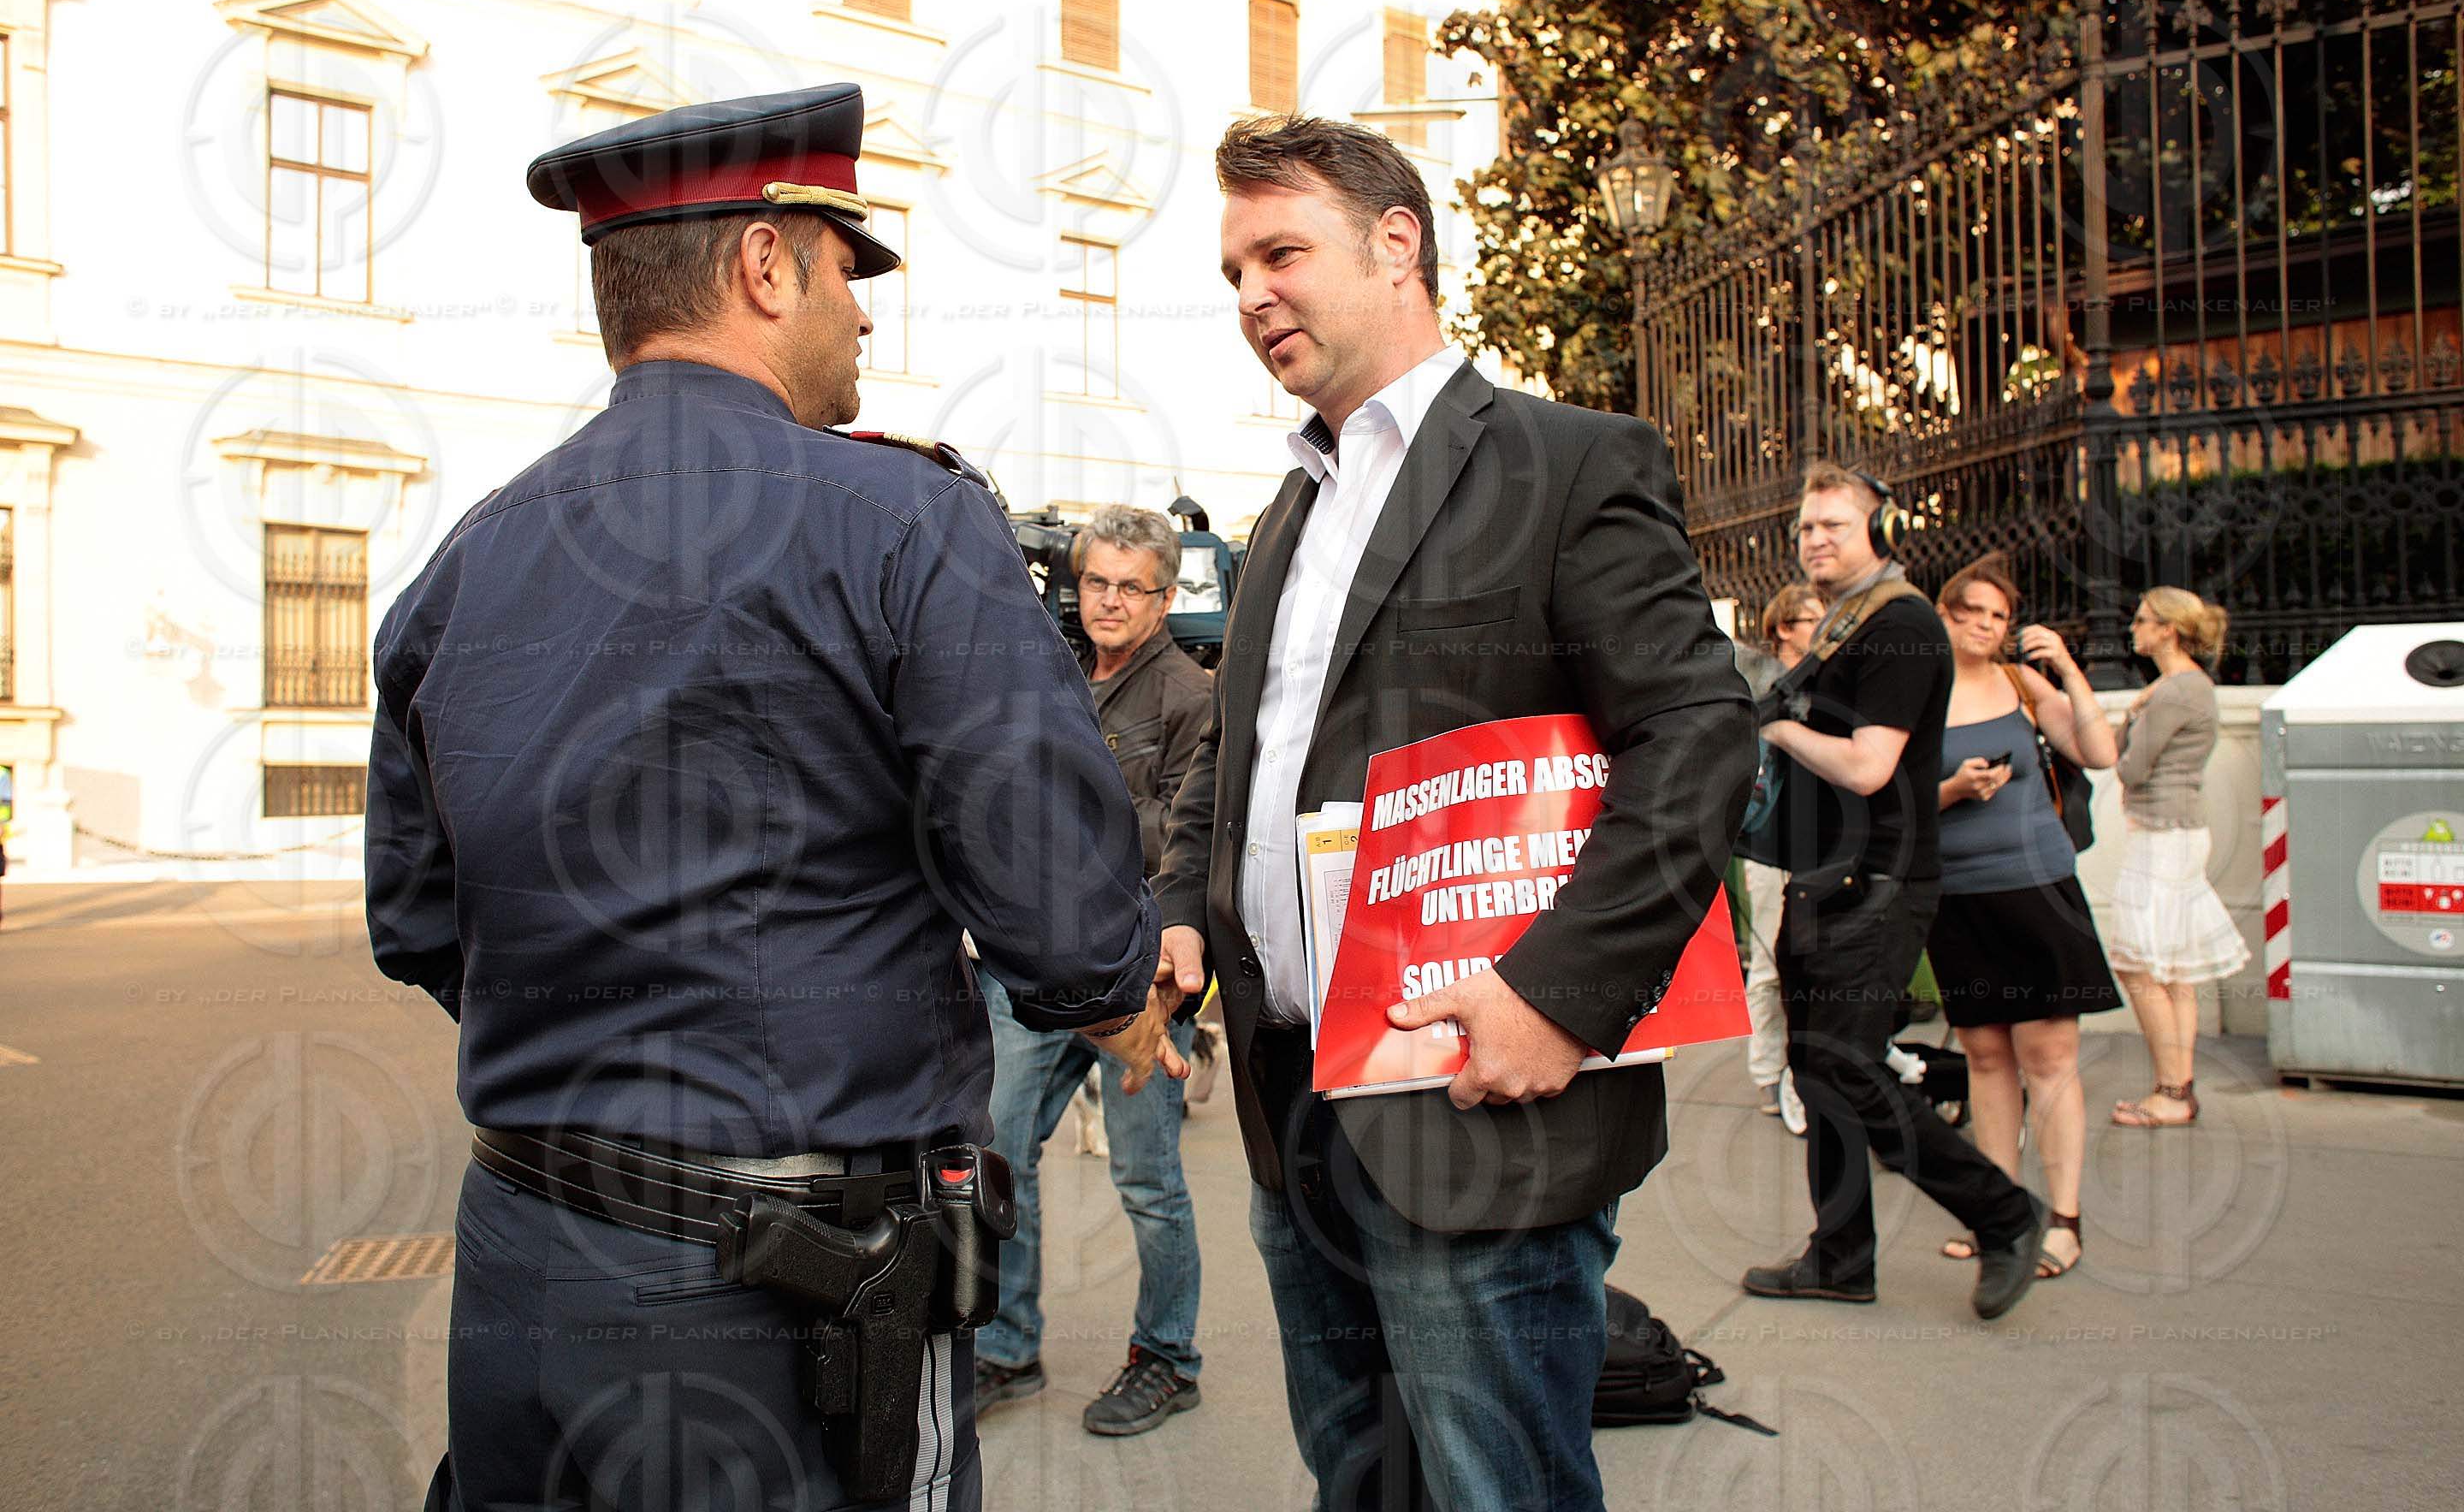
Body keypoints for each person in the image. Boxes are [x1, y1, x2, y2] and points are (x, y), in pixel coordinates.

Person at [365, 84, 1185, 1512]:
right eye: (845, 270)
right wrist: (1123, 987)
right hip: (798, 1297)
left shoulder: (465, 562)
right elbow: (1059, 911)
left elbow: (422, 926)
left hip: (529, 1267)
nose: (864, 315)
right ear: (761, 266)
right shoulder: (903, 522)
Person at [1154, 114, 1755, 1512]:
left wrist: (1559, 995)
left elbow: (1697, 736)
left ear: (1397, 243)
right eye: (1233, 267)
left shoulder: (1565, 463)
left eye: (1281, 251)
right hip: (1291, 1101)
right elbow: (1243, 762)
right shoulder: (1286, 517)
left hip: (1476, 1110)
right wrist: (1185, 910)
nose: (1251, 293)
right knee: (1357, 1481)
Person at [1744, 463, 2044, 1320]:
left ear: (1879, 529)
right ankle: (1840, 1256)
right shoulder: (1848, 622)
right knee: (1819, 1071)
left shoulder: (1905, 626)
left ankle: (2002, 1210)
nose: (1816, 540)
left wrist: (1777, 724)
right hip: (1825, 878)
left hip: (1876, 882)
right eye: (1807, 527)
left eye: (1835, 525)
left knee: (1849, 1066)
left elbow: (1870, 765)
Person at [975, 506, 1211, 1435]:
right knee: (1000, 1153)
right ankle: (1006, 1349)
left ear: (1163, 597)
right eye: (1096, 582)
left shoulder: (1191, 698)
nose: (1109, 601)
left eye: (1131, 586)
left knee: (1147, 1179)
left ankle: (1168, 1357)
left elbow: (1186, 842)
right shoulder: (1056, 674)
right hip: (1034, 963)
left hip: (1137, 971)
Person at [1922, 556, 2122, 1279]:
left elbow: (2099, 753)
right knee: (1984, 1058)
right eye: (1970, 610)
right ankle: (1999, 1214)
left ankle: (2063, 1221)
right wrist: (1951, 789)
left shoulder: (2020, 683)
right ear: (1943, 614)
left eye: (1998, 616)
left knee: (2050, 1062)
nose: (1983, 624)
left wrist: (2067, 668)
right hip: (1957, 896)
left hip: (2038, 891)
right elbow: (1897, 802)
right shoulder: (1918, 693)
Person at [2107, 586, 2248, 1128]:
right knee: (2174, 970)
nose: (2133, 629)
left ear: (2168, 629)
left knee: (2139, 965)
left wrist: (2131, 720)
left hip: (2162, 837)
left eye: (2142, 620)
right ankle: (2176, 1089)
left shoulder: (2175, 692)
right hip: (2178, 832)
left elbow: (2129, 767)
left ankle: (2172, 1090)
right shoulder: (2184, 687)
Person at [1743, 583, 1823, 1131]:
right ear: (1783, 629)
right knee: (1771, 962)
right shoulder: (1763, 683)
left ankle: (1799, 1068)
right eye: (1809, 617)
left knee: (1807, 963)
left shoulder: (1829, 684)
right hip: (1772, 842)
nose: (1821, 624)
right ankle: (1770, 1072)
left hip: (1820, 840)